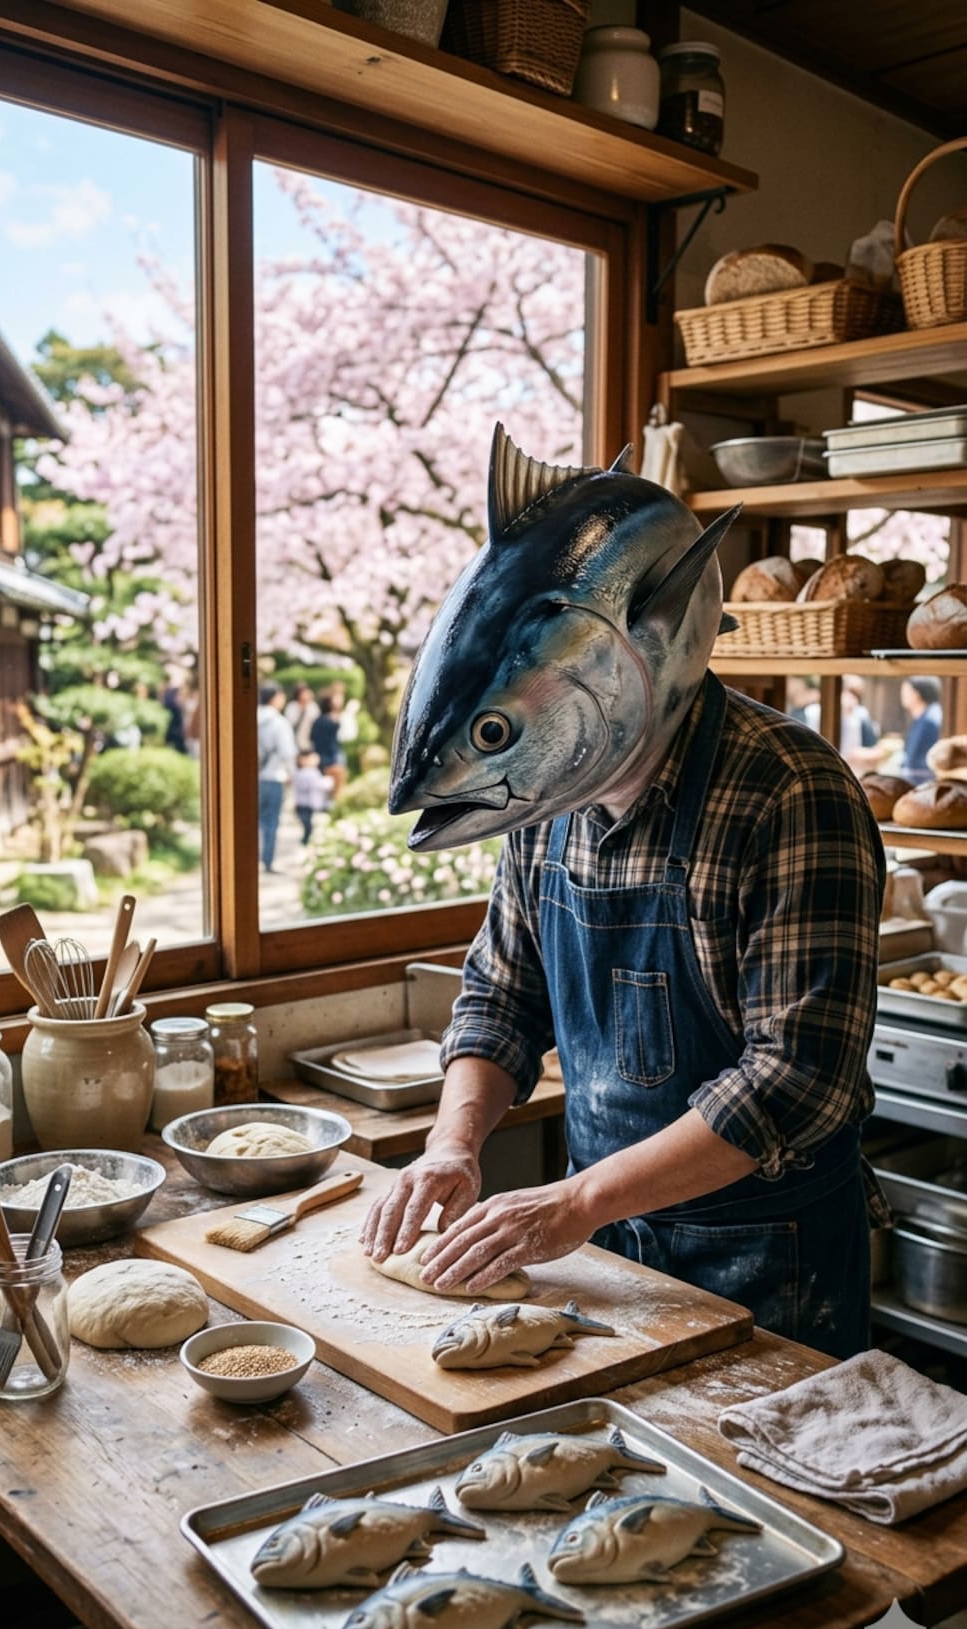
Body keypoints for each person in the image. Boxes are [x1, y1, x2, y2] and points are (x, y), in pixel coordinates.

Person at [363, 428, 887, 1363]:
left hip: (768, 1266)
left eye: (494, 732)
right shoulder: (543, 795)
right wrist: (455, 1141)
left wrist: (578, 1200)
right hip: (602, 1250)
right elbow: (502, 997)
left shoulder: (790, 790)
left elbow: (798, 1083)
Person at [256, 680, 297, 873]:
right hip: (273, 777)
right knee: (270, 821)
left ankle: (250, 858)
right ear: (275, 698)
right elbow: (287, 753)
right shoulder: (279, 722)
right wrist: (292, 775)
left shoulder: (249, 718)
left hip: (252, 779)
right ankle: (268, 860)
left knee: (252, 821)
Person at [900, 675, 943, 784]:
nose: (902, 695)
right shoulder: (925, 716)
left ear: (917, 694)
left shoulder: (930, 720)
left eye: (906, 691)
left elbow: (915, 761)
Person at [311, 689, 347, 800]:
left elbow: (312, 738)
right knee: (335, 793)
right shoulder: (333, 721)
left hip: (322, 759)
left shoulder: (317, 721)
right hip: (332, 760)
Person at [293, 750, 334, 844]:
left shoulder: (313, 772)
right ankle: (305, 843)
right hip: (304, 805)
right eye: (312, 758)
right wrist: (328, 782)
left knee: (310, 827)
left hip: (308, 805)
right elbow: (316, 784)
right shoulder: (304, 773)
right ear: (302, 760)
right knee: (308, 827)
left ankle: (306, 843)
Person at [286, 681, 320, 756]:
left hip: (309, 743)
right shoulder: (292, 707)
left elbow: (317, 724)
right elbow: (290, 725)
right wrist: (302, 711)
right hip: (295, 743)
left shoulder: (313, 706)